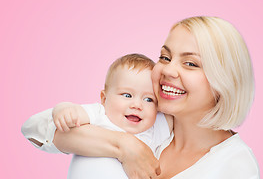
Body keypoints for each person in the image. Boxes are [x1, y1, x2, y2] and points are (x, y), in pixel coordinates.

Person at [23, 16, 260, 178]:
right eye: (165, 58)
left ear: (224, 81)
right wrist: (125, 146)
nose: (168, 70)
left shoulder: (236, 164)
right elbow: (37, 130)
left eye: (190, 63)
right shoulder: (145, 119)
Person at [21, 53, 172, 178]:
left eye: (148, 99)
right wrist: (63, 109)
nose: (137, 105)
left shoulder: (152, 129)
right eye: (127, 95)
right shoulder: (99, 114)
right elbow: (70, 113)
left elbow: (181, 118)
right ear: (104, 99)